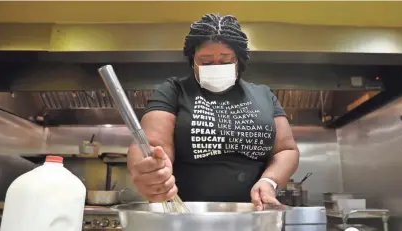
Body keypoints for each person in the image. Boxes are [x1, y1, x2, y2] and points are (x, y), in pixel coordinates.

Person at [127, 13, 299, 210]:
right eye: (206, 62)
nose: (216, 67)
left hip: (252, 214)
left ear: (239, 62)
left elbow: (286, 149)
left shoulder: (264, 95)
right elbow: (152, 145)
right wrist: (151, 171)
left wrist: (270, 181)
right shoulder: (174, 91)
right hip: (185, 215)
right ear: (192, 61)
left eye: (225, 61)